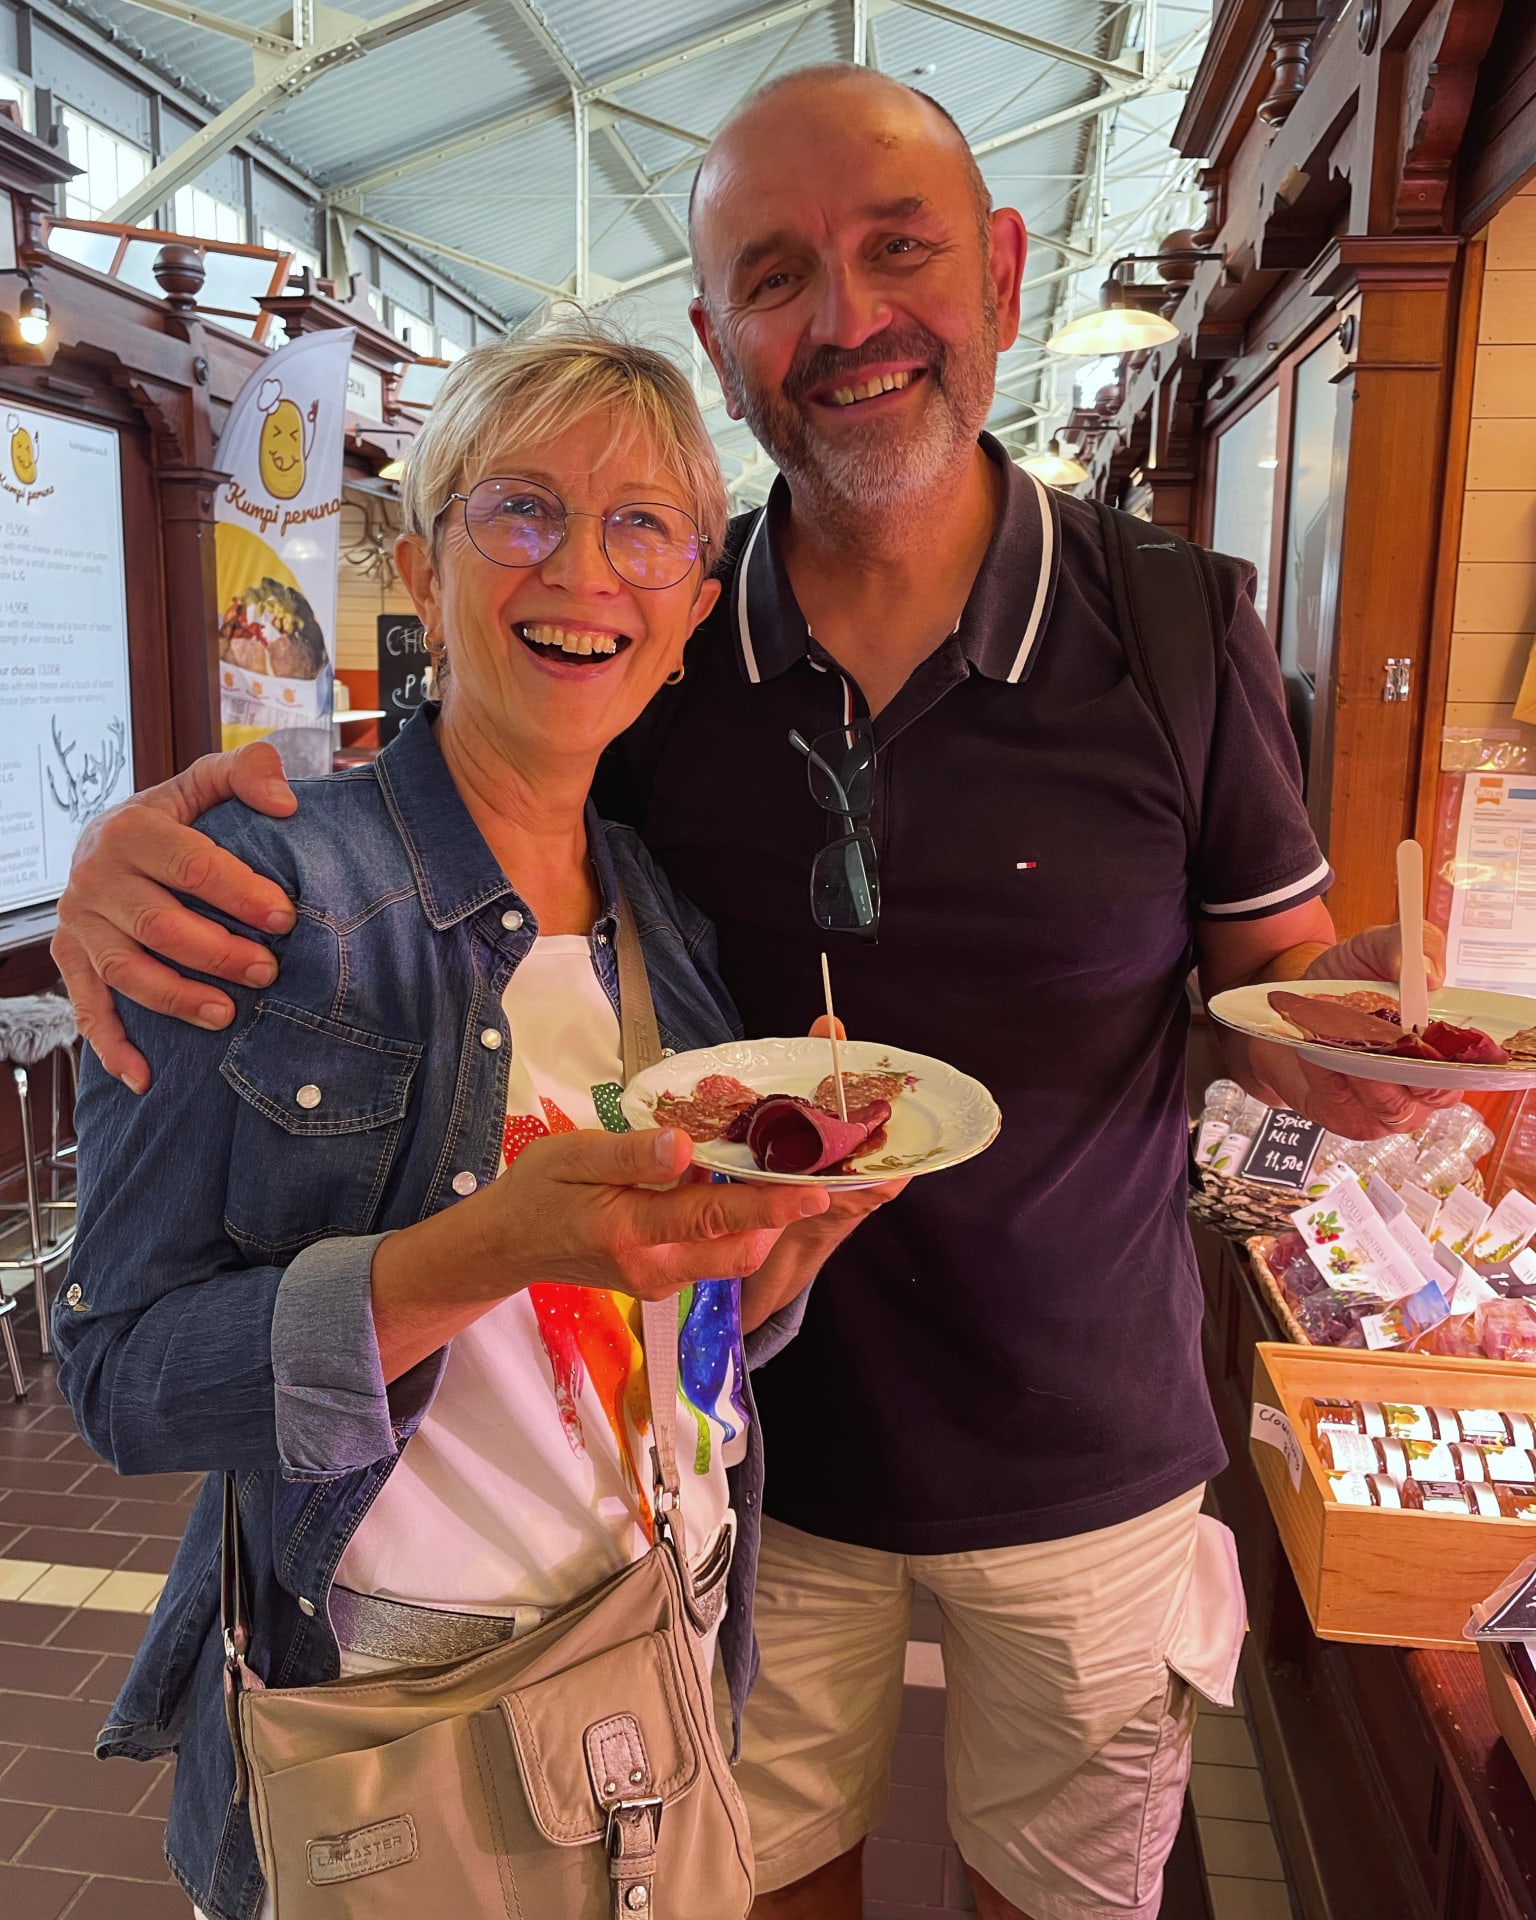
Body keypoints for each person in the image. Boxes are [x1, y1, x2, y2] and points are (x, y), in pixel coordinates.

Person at [54, 66, 1446, 1920]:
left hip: (1071, 1446)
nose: (850, 319)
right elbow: (461, 831)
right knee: (756, 1881)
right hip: (754, 1501)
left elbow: (1272, 988)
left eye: (899, 251)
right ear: (721, 341)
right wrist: (135, 849)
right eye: (779, 275)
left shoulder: (1177, 622)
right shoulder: (658, 672)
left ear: (1003, 271)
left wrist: (1386, 1029)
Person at [51, 327, 905, 1920]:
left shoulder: (668, 928)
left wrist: (785, 1246)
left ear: (689, 611)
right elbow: (119, 1381)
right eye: (520, 509)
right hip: (397, 1715)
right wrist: (487, 1248)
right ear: (422, 571)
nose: (581, 568)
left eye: (642, 526)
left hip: (667, 1644)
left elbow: (684, 1339)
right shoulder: (262, 893)